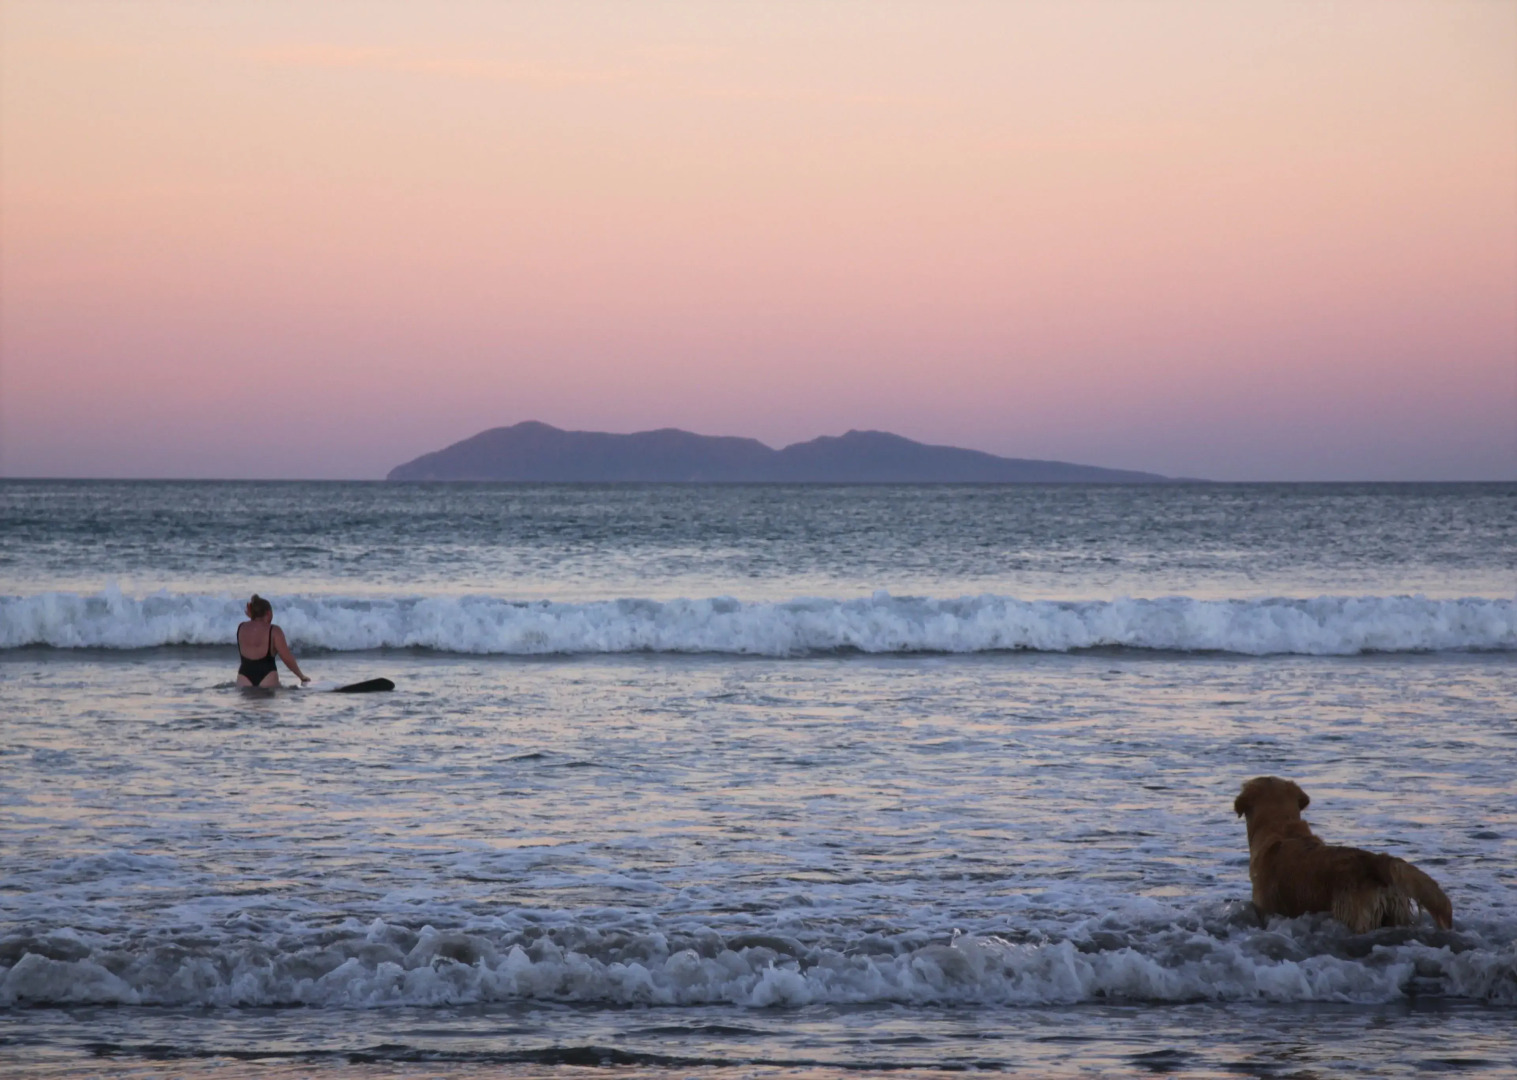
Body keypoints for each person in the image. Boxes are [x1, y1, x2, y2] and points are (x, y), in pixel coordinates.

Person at [235, 594, 310, 687]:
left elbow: (255, 627)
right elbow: (286, 657)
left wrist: (252, 616)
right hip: (267, 677)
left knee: (247, 702)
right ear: (268, 613)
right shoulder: (274, 630)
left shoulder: (241, 627)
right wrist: (301, 676)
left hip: (243, 677)